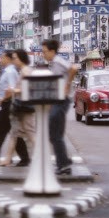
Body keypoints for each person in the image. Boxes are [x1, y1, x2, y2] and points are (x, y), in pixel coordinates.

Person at [0, 50, 30, 168]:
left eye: (2, 57)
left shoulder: (11, 72)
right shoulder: (7, 72)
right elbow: (1, 91)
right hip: (7, 105)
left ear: (8, 59)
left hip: (9, 105)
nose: (0, 60)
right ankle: (24, 159)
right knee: (14, 133)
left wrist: (2, 100)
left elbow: (11, 90)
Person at [42, 39, 77, 175]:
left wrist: (68, 84)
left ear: (52, 51)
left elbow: (73, 68)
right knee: (56, 134)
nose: (43, 54)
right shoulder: (54, 63)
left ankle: (63, 165)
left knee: (54, 133)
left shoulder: (58, 61)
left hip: (62, 101)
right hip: (58, 100)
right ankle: (64, 161)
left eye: (45, 52)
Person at [0, 49, 36, 167]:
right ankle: (8, 159)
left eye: (15, 58)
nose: (13, 60)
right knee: (15, 134)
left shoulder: (26, 71)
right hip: (21, 106)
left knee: (28, 133)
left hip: (24, 106)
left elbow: (29, 88)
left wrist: (14, 90)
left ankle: (42, 156)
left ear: (21, 58)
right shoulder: (23, 70)